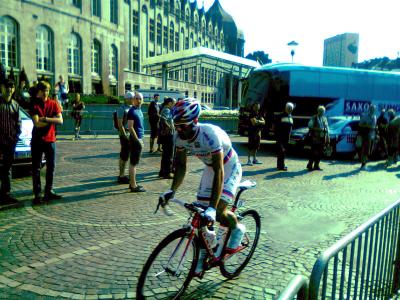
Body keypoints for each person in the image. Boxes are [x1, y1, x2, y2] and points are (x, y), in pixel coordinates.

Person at [159, 98, 244, 276]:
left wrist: (213, 207)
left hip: (228, 166)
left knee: (218, 212)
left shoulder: (210, 134)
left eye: (183, 125)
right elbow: (181, 167)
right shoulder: (179, 138)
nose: (179, 130)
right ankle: (204, 253)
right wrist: (171, 190)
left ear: (195, 121)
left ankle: (237, 229)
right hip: (210, 167)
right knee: (201, 214)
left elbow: (220, 170)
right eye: (177, 125)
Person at [31, 81, 63, 204]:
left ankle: (48, 191)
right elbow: (37, 124)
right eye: (43, 90)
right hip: (37, 140)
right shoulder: (34, 104)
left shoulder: (53, 103)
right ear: (38, 92)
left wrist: (46, 118)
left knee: (51, 167)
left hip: (50, 140)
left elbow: (60, 120)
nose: (45, 93)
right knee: (36, 168)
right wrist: (52, 121)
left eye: (47, 90)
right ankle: (37, 194)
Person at [0, 79, 21, 205]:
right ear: (2, 88)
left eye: (12, 87)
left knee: (7, 168)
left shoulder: (15, 105)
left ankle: (5, 193)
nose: (9, 89)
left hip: (10, 142)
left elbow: (18, 123)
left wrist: (15, 137)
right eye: (7, 87)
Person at [127, 92, 146, 192]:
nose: (138, 100)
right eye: (137, 98)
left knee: (135, 162)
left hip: (139, 138)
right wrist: (137, 140)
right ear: (133, 100)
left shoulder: (139, 110)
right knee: (133, 163)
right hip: (135, 140)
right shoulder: (132, 111)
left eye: (140, 99)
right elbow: (130, 127)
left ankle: (132, 183)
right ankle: (133, 186)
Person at [116, 92, 134, 184]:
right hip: (125, 134)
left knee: (127, 155)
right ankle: (121, 175)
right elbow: (120, 124)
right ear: (126, 99)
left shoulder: (131, 108)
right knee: (124, 155)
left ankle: (123, 174)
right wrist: (124, 135)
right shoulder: (121, 108)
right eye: (131, 98)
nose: (133, 100)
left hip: (130, 133)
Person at [306, 105, 330, 171]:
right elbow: (310, 126)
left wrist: (327, 135)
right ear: (318, 111)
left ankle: (316, 165)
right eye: (320, 111)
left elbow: (327, 128)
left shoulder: (324, 118)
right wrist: (318, 129)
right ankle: (310, 165)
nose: (322, 112)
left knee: (320, 152)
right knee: (313, 152)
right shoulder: (314, 118)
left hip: (322, 138)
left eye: (323, 111)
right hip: (315, 138)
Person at [158, 97, 176, 179]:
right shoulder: (167, 110)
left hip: (166, 135)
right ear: (169, 103)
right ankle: (167, 172)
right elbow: (163, 120)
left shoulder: (166, 109)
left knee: (165, 154)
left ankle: (162, 171)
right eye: (173, 103)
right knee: (169, 154)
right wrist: (170, 127)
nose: (174, 105)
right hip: (168, 135)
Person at [275, 102, 294, 171]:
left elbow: (290, 127)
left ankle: (281, 165)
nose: (290, 110)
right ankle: (280, 166)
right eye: (289, 108)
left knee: (284, 152)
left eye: (291, 108)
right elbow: (276, 128)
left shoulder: (290, 116)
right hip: (281, 137)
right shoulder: (280, 116)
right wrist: (278, 137)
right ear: (286, 108)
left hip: (287, 138)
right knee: (281, 151)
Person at [358, 105, 377, 170]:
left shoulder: (374, 117)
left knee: (368, 150)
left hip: (371, 135)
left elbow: (373, 126)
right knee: (364, 150)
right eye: (371, 109)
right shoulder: (365, 115)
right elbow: (360, 124)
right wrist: (367, 125)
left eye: (373, 109)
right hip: (364, 135)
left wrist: (367, 125)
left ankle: (364, 164)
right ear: (369, 109)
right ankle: (363, 165)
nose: (372, 110)